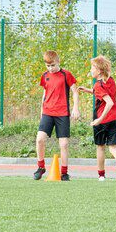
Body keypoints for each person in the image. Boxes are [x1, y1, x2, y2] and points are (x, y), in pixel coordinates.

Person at [33, 50, 80, 181]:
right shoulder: (45, 76)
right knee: (40, 139)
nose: (50, 68)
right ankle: (41, 167)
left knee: (64, 144)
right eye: (48, 66)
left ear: (58, 62)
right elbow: (44, 94)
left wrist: (76, 108)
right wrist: (41, 111)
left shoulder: (66, 75)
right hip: (48, 112)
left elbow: (75, 92)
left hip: (62, 114)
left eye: (53, 65)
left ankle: (64, 172)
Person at [79, 55, 116, 182]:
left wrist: (99, 120)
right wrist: (88, 90)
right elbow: (104, 93)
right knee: (113, 148)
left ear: (99, 70)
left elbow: (109, 102)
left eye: (92, 67)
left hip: (102, 120)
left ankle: (101, 175)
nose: (91, 70)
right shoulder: (110, 80)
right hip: (115, 118)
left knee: (100, 147)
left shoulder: (98, 85)